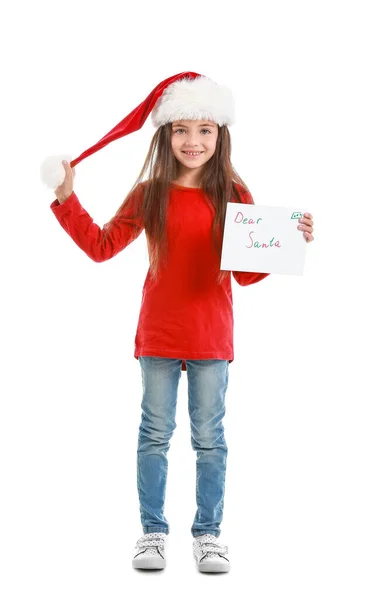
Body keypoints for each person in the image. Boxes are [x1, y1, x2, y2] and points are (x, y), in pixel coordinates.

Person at [42, 72, 315, 573]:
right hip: (161, 334)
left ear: (221, 135)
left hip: (211, 335)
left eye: (205, 130)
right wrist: (66, 198)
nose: (193, 141)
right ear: (166, 136)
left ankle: (208, 535)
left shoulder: (233, 193)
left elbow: (248, 275)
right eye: (182, 130)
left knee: (210, 438)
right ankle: (152, 533)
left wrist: (289, 241)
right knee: (155, 434)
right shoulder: (150, 192)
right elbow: (101, 247)